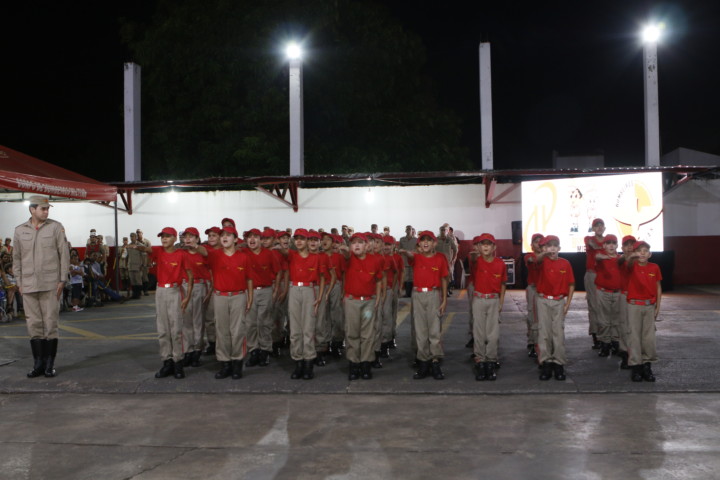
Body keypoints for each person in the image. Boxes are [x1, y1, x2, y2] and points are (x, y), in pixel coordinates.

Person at [13, 195, 69, 378]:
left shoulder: (56, 227)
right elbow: (16, 259)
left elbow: (64, 254)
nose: (46, 212)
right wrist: (19, 282)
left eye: (47, 209)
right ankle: (38, 363)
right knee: (34, 324)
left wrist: (62, 279)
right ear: (32, 209)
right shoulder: (20, 230)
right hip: (28, 284)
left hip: (51, 283)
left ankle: (49, 364)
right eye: (43, 209)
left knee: (51, 323)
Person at [399, 230, 448, 380]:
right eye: (423, 240)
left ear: (435, 243)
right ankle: (423, 362)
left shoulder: (440, 258)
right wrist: (405, 252)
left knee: (434, 329)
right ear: (419, 244)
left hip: (433, 294)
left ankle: (435, 361)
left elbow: (444, 279)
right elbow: (410, 256)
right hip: (418, 295)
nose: (426, 242)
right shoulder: (416, 257)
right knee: (420, 330)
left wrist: (444, 299)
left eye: (429, 240)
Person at [280, 228, 326, 380]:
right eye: (297, 238)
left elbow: (322, 278)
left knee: (308, 328)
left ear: (307, 241)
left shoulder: (316, 257)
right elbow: (281, 249)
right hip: (294, 289)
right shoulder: (292, 255)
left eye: (302, 238)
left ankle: (308, 363)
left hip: (309, 290)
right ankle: (298, 361)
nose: (299, 241)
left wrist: (319, 297)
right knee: (295, 329)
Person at [149, 227, 192, 379]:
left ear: (174, 238)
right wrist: (136, 246)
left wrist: (187, 297)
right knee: (163, 329)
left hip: (175, 291)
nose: (164, 239)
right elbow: (146, 249)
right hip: (160, 291)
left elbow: (190, 275)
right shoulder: (159, 251)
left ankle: (178, 363)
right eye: (162, 237)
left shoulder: (181, 254)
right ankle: (167, 362)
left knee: (176, 330)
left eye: (167, 236)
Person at [342, 233, 383, 380]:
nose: (357, 245)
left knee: (367, 334)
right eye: (354, 243)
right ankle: (354, 364)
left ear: (366, 245)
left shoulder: (375, 260)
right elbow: (346, 254)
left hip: (368, 302)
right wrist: (344, 249)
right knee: (352, 333)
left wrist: (377, 298)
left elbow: (379, 280)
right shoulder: (348, 259)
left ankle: (366, 364)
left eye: (360, 242)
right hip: (352, 301)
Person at [534, 235, 575, 381]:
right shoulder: (541, 262)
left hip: (558, 301)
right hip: (543, 300)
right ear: (543, 249)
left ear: (559, 248)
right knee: (544, 332)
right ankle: (546, 362)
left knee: (558, 333)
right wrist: (543, 254)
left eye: (554, 245)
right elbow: (537, 260)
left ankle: (558, 363)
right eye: (548, 246)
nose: (552, 248)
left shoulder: (565, 263)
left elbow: (571, 284)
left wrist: (567, 304)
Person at [469, 234, 507, 381]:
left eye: (489, 244)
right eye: (482, 244)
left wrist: (501, 302)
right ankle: (480, 360)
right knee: (479, 332)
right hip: (479, 299)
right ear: (479, 247)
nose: (485, 246)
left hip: (493, 299)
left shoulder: (500, 263)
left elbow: (503, 284)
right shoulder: (477, 261)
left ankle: (491, 361)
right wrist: (478, 251)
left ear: (494, 247)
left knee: (493, 333)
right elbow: (472, 256)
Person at [625, 240, 662, 382]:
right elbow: (628, 262)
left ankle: (647, 365)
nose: (642, 253)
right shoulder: (631, 266)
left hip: (649, 305)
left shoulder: (654, 267)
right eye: (639, 251)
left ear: (650, 254)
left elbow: (658, 287)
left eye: (645, 251)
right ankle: (636, 366)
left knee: (649, 337)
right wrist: (632, 256)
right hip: (634, 305)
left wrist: (658, 306)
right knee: (634, 336)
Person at [244, 228, 282, 367]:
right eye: (249, 237)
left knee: (264, 322)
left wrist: (276, 289)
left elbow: (278, 272)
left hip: (265, 290)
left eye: (255, 237)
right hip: (249, 292)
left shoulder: (269, 254)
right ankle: (253, 351)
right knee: (250, 323)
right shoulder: (243, 253)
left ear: (261, 240)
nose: (252, 240)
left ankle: (265, 351)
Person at [180, 227, 212, 368]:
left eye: (191, 236)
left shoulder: (203, 252)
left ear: (197, 239)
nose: (187, 239)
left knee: (198, 321)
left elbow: (206, 253)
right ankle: (188, 350)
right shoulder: (181, 253)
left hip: (199, 286)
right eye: (185, 236)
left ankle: (197, 350)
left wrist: (196, 247)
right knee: (186, 321)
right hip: (184, 286)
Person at [594, 234, 622, 358]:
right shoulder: (600, 258)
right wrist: (605, 257)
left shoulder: (620, 259)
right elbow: (597, 257)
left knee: (616, 319)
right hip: (603, 292)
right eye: (608, 243)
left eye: (613, 243)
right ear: (604, 245)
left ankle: (616, 342)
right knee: (603, 319)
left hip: (617, 293)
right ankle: (605, 343)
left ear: (617, 245)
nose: (611, 245)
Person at [584, 218, 606, 349]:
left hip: (605, 275)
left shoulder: (608, 240)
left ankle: (606, 336)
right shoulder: (589, 239)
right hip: (592, 275)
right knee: (593, 306)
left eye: (601, 225)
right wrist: (603, 248)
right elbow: (593, 245)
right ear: (593, 228)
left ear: (604, 228)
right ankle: (595, 335)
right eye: (596, 226)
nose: (599, 228)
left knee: (605, 305)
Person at [201, 226, 222, 355]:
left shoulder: (226, 250)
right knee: (209, 318)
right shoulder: (205, 249)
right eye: (209, 236)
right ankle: (212, 343)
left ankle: (222, 344)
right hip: (208, 285)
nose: (211, 238)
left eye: (214, 235)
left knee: (221, 319)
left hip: (222, 286)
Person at [523, 233, 544, 359]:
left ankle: (543, 342)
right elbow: (533, 260)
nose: (539, 244)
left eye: (541, 242)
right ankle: (533, 342)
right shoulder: (529, 256)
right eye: (536, 242)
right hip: (533, 289)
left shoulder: (549, 257)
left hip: (545, 290)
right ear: (531, 245)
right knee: (533, 316)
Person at [435, 225, 457, 296]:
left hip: (448, 262)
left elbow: (455, 249)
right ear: (439, 231)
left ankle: (447, 291)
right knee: (439, 277)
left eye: (444, 230)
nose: (443, 231)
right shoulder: (436, 239)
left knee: (448, 277)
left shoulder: (450, 239)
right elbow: (432, 250)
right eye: (441, 230)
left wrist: (453, 259)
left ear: (446, 231)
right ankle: (440, 291)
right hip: (438, 262)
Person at [398, 225, 417, 297]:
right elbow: (399, 249)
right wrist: (403, 251)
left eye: (410, 229)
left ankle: (411, 293)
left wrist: (412, 252)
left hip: (413, 260)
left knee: (412, 277)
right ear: (405, 231)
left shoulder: (416, 240)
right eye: (407, 229)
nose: (408, 230)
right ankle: (407, 293)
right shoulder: (402, 239)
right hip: (405, 260)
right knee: (405, 278)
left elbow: (418, 249)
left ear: (412, 230)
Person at [126, 232, 144, 299]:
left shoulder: (140, 245)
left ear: (136, 237)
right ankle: (134, 294)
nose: (131, 238)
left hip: (137, 265)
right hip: (130, 265)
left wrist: (142, 265)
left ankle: (138, 294)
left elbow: (143, 256)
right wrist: (126, 264)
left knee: (138, 280)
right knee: (132, 280)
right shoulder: (128, 246)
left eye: (133, 236)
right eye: (130, 236)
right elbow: (127, 256)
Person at [136, 229, 152, 295]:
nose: (138, 234)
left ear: (142, 233)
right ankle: (139, 291)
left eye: (139, 232)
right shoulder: (135, 242)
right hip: (137, 262)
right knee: (138, 277)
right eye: (137, 233)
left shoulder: (147, 242)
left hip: (145, 261)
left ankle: (145, 290)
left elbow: (150, 252)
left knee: (145, 277)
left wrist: (149, 262)